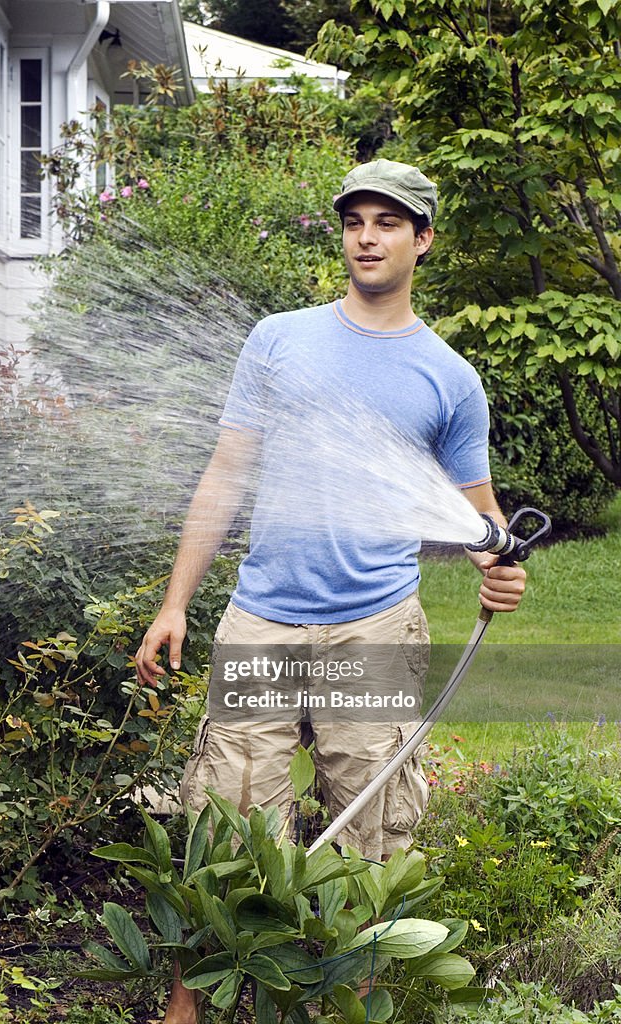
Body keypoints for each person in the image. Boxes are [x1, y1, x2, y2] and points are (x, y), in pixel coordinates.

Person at [135, 158, 527, 1024]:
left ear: (422, 240)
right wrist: (174, 604)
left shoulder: (449, 379)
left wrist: (498, 566)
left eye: (389, 222)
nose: (367, 236)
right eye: (356, 220)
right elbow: (226, 471)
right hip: (262, 617)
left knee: (372, 835)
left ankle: (348, 1007)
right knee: (226, 826)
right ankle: (186, 1011)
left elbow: (474, 511)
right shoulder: (280, 339)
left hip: (375, 627)